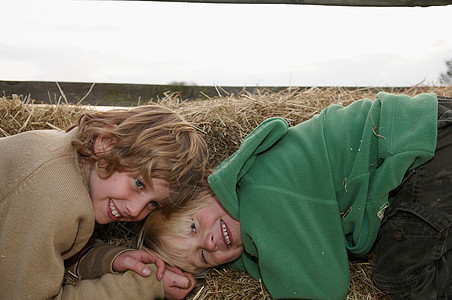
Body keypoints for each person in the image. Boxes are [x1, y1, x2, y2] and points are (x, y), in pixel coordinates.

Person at [141, 93, 452, 299]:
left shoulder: (260, 199)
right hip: (425, 126)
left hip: (422, 151)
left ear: (203, 192)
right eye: (202, 256)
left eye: (194, 227)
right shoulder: (250, 178)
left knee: (403, 277)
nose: (209, 242)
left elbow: (323, 290)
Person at [0, 104, 207, 299]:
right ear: (107, 144)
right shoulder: (57, 198)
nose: (135, 211)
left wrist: (110, 259)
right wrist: (145, 286)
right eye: (139, 184)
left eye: (153, 204)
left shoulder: (67, 154)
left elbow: (53, 251)